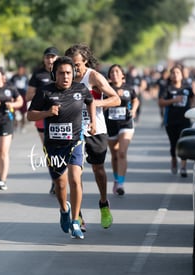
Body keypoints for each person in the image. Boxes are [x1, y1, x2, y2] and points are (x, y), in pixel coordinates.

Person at [27, 56, 96, 239]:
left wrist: (93, 122)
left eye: (68, 73)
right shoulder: (45, 92)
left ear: (73, 73)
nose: (65, 77)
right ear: (54, 74)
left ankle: (75, 221)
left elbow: (91, 102)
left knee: (75, 178)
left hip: (75, 141)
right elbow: (30, 116)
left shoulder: (80, 89)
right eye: (61, 73)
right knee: (61, 183)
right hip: (53, 145)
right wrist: (47, 113)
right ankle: (64, 209)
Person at [65, 43, 120, 230]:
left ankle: (104, 203)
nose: (74, 69)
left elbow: (116, 98)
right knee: (75, 173)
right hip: (73, 131)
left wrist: (95, 103)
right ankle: (78, 215)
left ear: (85, 62)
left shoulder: (94, 77)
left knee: (98, 169)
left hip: (96, 130)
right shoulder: (65, 78)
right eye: (71, 65)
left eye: (77, 64)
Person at [26, 46, 59, 194]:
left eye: (53, 57)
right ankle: (54, 179)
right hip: (43, 115)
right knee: (49, 148)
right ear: (44, 59)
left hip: (62, 115)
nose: (50, 59)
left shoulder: (63, 72)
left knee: (62, 148)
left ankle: (62, 177)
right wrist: (43, 96)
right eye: (48, 57)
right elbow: (28, 96)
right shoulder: (38, 75)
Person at [104, 64, 140, 196]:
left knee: (122, 153)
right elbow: (101, 107)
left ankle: (120, 183)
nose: (114, 74)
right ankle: (116, 178)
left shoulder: (128, 88)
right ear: (109, 76)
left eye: (117, 71)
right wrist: (112, 99)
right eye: (112, 72)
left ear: (122, 75)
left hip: (126, 123)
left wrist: (134, 110)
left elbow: (136, 100)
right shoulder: (105, 89)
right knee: (114, 155)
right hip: (110, 124)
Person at [158, 65, 195, 177]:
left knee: (183, 143)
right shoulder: (167, 88)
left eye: (178, 73)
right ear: (170, 75)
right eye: (173, 73)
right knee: (174, 144)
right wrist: (174, 100)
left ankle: (183, 167)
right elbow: (160, 102)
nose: (175, 75)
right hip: (171, 120)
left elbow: (193, 97)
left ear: (182, 75)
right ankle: (174, 159)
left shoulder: (187, 88)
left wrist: (192, 106)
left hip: (184, 120)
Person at [9, 64, 28, 132]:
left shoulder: (25, 77)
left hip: (23, 95)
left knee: (23, 112)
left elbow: (27, 86)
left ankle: (23, 126)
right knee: (13, 111)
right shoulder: (14, 77)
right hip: (15, 96)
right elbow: (10, 85)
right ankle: (15, 124)